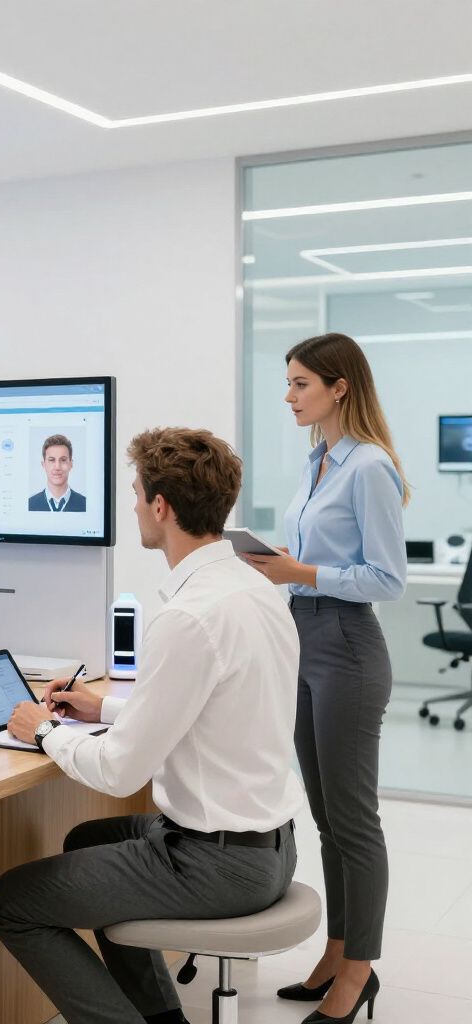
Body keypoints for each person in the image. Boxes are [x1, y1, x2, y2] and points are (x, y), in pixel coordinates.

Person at [0, 427, 304, 1024]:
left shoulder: (189, 615)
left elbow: (117, 771)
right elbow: (208, 710)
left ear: (160, 506)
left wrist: (42, 730)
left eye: (136, 492)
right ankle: (163, 1017)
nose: (133, 504)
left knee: (12, 901)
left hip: (217, 866)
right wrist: (100, 707)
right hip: (273, 847)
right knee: (89, 841)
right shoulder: (254, 590)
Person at [242, 332, 407, 1024]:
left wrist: (302, 571)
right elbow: (324, 554)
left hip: (346, 644)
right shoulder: (319, 462)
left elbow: (387, 578)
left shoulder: (368, 467)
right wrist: (289, 561)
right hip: (303, 638)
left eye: (301, 383)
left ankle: (359, 973)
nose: (288, 395)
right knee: (326, 818)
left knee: (355, 820)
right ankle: (338, 949)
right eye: (287, 382)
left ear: (340, 386)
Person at [28, 433, 87, 511]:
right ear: (44, 465)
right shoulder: (30, 504)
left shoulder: (85, 504)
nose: (57, 467)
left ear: (71, 464)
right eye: (52, 460)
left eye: (63, 460)